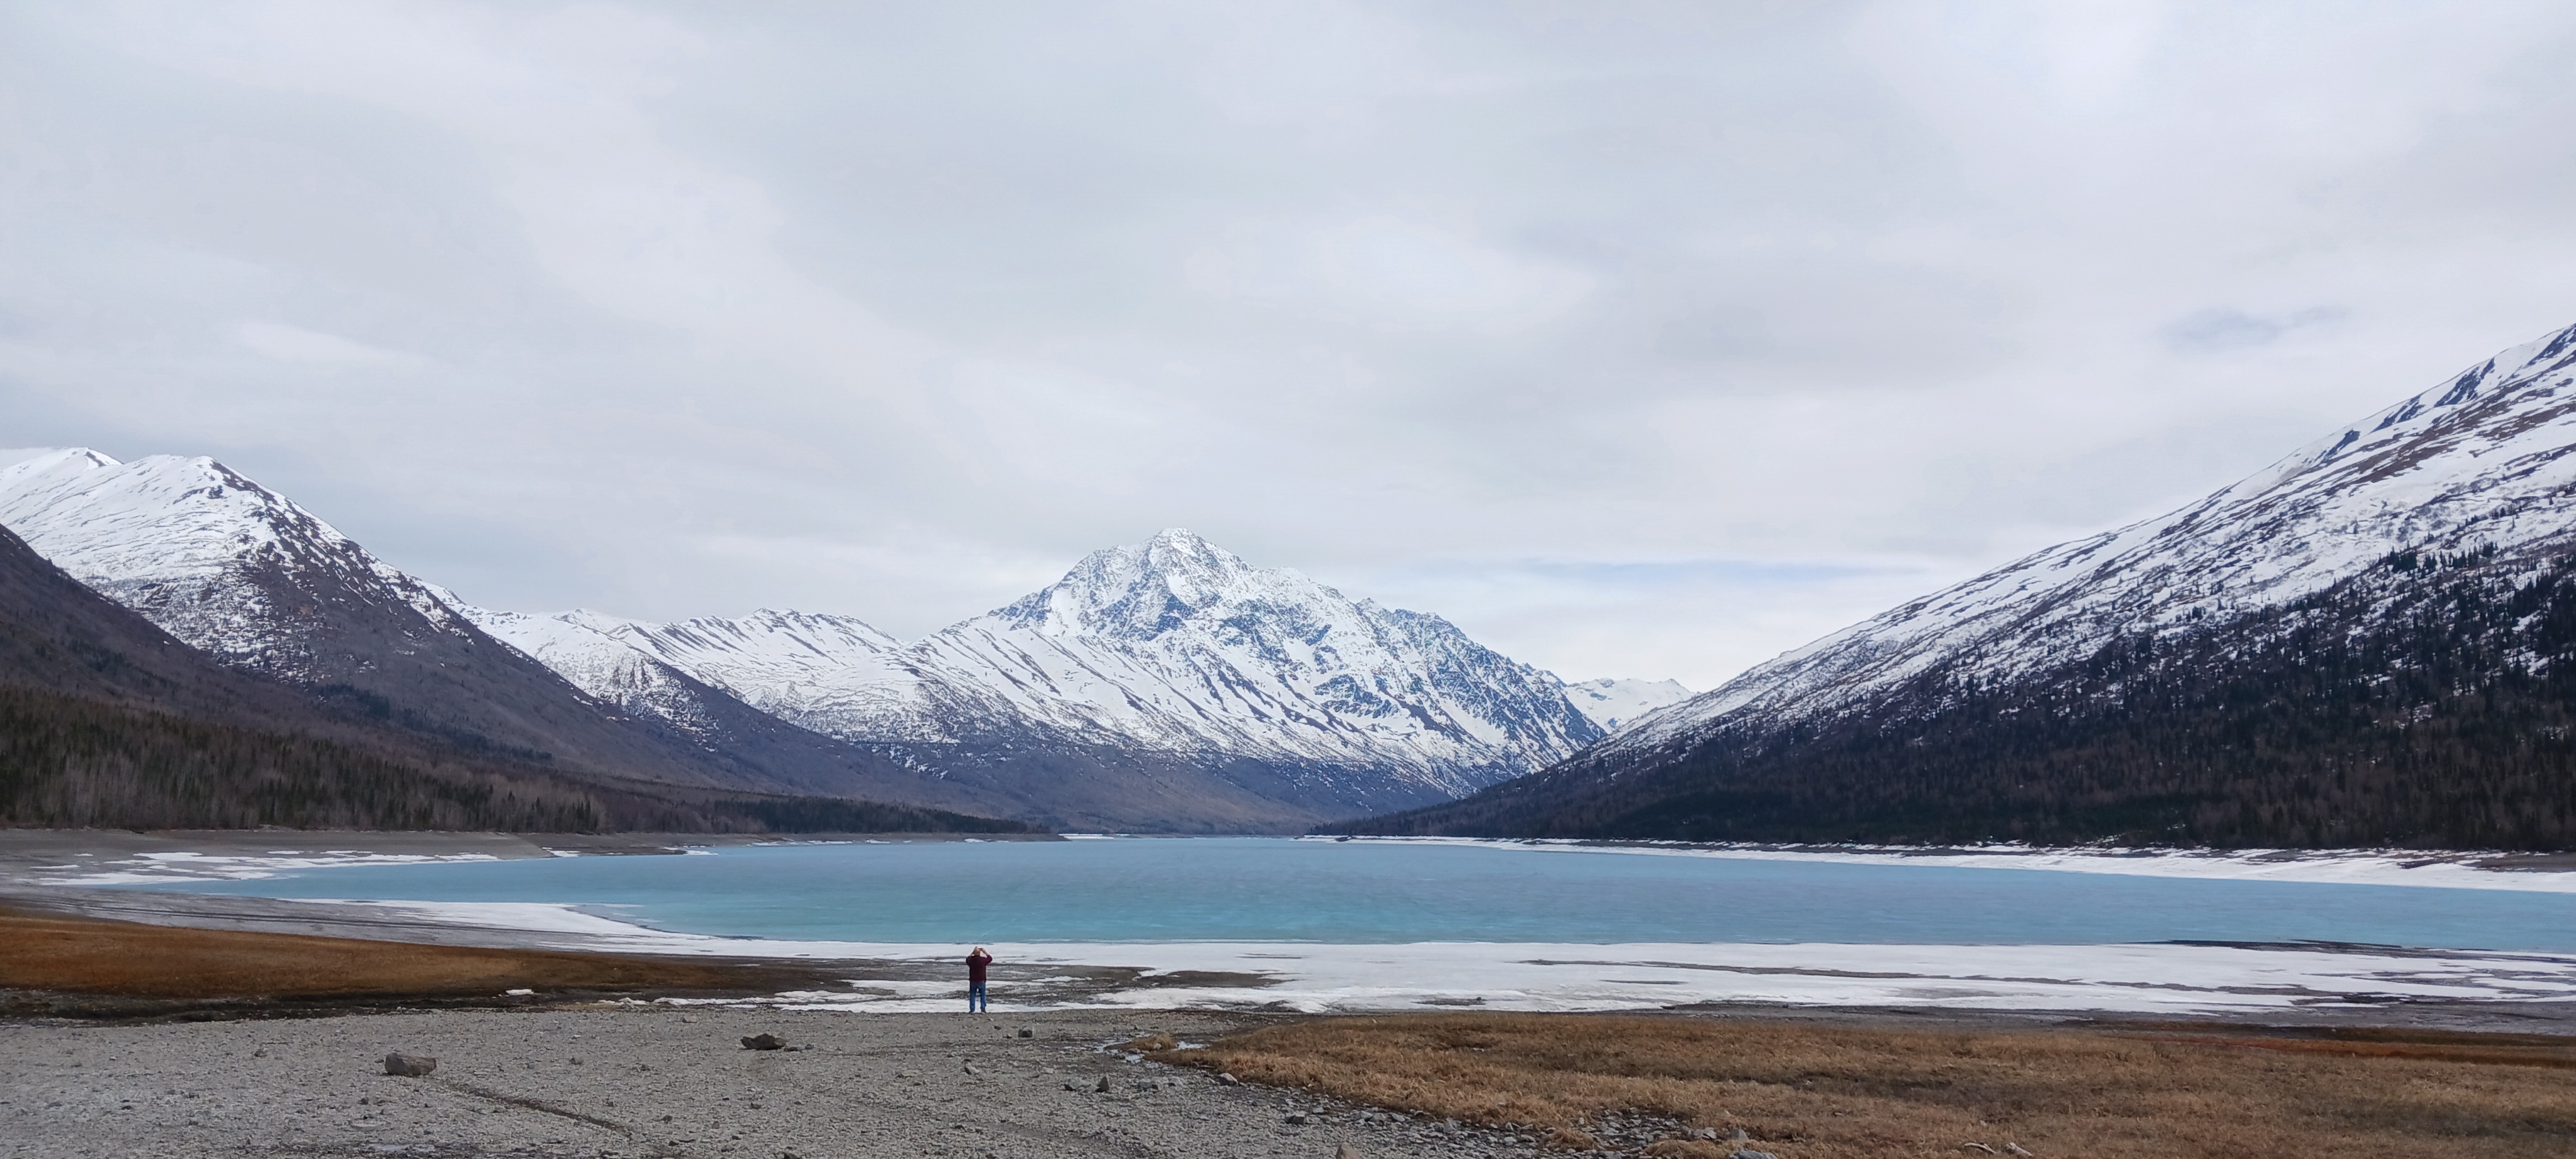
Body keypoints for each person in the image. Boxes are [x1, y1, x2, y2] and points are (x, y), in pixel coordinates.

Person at [965, 945, 993, 1013]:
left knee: (973, 995)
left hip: (973, 980)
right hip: (981, 980)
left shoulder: (971, 961)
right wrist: (985, 952)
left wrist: (972, 952)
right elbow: (990, 959)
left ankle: (972, 1010)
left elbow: (967, 959)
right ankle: (983, 1009)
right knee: (983, 995)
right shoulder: (982, 960)